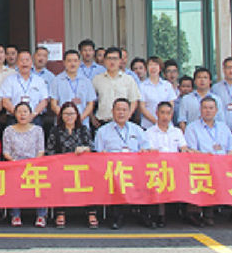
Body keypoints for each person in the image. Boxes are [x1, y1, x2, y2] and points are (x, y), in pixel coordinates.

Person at [94, 98, 149, 229]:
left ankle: (144, 215)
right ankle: (117, 217)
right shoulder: (103, 131)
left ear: (129, 112)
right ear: (112, 111)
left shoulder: (138, 130)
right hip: (113, 170)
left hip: (135, 169)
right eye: (118, 109)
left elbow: (146, 149)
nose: (121, 113)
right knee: (115, 179)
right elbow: (98, 154)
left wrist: (143, 152)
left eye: (124, 110)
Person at [183, 96, 232, 227]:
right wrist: (208, 157)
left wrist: (227, 162)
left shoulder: (224, 127)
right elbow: (190, 151)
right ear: (200, 110)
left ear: (216, 110)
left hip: (222, 165)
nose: (208, 111)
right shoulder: (192, 127)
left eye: (211, 108)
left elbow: (231, 149)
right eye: (205, 108)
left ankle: (218, 212)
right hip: (201, 166)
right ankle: (199, 213)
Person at [46, 101, 94, 228]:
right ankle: (60, 213)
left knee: (90, 180)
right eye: (66, 114)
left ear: (77, 115)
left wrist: (84, 149)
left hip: (81, 167)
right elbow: (50, 151)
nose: (69, 117)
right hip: (61, 168)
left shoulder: (83, 130)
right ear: (61, 116)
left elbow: (92, 148)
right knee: (58, 179)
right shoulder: (55, 131)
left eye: (72, 114)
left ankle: (91, 213)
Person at [143, 101, 188, 228]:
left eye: (168, 113)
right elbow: (149, 152)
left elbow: (183, 148)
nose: (165, 116)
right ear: (156, 113)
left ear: (172, 115)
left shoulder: (177, 132)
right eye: (162, 113)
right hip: (156, 168)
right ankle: (157, 214)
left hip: (175, 168)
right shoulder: (149, 132)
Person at [3, 102, 47, 228]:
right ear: (15, 114)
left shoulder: (38, 130)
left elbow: (41, 150)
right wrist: (15, 162)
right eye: (19, 112)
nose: (22, 115)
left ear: (30, 114)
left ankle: (41, 215)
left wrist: (33, 163)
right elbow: (6, 152)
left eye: (25, 112)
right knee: (13, 180)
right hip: (15, 164)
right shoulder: (9, 130)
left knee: (41, 180)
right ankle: (15, 215)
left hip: (34, 165)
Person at [91, 47, 141, 125]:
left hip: (123, 122)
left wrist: (128, 116)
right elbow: (90, 101)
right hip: (103, 122)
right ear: (104, 60)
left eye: (115, 59)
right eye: (109, 58)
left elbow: (134, 101)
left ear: (120, 61)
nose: (112, 62)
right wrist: (92, 118)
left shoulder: (128, 79)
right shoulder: (97, 79)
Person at [0, 50, 50, 126]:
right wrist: (17, 114)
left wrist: (32, 115)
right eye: (21, 60)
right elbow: (5, 101)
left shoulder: (39, 80)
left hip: (34, 118)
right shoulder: (9, 80)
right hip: (14, 118)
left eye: (27, 60)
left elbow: (44, 101)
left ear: (31, 63)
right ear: (17, 63)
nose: (24, 63)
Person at [50, 49, 96, 130]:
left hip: (82, 123)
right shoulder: (56, 80)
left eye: (75, 61)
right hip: (62, 124)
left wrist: (79, 119)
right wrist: (65, 118)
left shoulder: (86, 81)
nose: (72, 64)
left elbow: (90, 104)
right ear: (64, 63)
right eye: (69, 61)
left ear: (79, 62)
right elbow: (53, 104)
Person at [138, 56, 178, 130]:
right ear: (146, 68)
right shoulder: (142, 86)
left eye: (156, 65)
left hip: (166, 125)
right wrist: (156, 122)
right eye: (150, 65)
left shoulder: (167, 85)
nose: (153, 67)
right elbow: (142, 107)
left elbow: (171, 105)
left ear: (160, 68)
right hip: (148, 126)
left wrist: (164, 120)